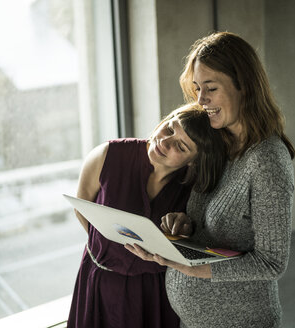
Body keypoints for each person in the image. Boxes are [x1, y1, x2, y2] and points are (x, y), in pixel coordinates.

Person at [126, 32, 295, 327]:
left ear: (243, 86)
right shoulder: (219, 144)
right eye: (196, 88)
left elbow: (272, 263)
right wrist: (184, 225)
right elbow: (215, 229)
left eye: (211, 88)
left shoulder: (267, 160)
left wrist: (192, 268)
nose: (200, 100)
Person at [66, 103, 227, 328]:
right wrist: (109, 247)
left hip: (154, 292)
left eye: (180, 146)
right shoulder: (107, 154)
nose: (165, 142)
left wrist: (183, 228)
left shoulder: (193, 188)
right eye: (169, 129)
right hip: (100, 281)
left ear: (193, 161)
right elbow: (81, 206)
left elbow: (194, 237)